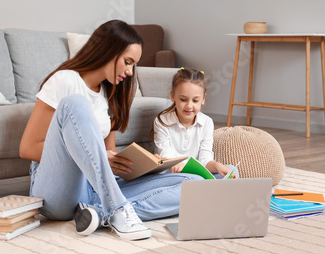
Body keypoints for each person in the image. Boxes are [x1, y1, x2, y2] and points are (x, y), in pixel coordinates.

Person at [19, 20, 201, 241]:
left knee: (193, 183)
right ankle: (116, 209)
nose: (130, 71)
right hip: (56, 193)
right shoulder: (65, 81)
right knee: (76, 103)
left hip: (94, 193)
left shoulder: (110, 94)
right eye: (127, 62)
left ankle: (98, 214)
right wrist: (96, 159)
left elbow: (108, 155)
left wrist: (138, 164)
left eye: (133, 64)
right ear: (108, 50)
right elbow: (27, 148)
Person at [153, 68, 239, 179]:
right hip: (169, 175)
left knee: (231, 169)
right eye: (183, 99)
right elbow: (166, 155)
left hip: (194, 174)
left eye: (195, 100)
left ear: (203, 99)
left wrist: (217, 166)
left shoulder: (207, 122)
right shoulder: (162, 121)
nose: (189, 106)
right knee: (195, 179)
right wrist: (175, 164)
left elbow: (205, 160)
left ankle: (207, 189)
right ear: (173, 96)